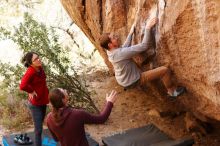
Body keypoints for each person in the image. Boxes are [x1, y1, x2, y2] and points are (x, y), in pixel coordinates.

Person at [99, 17, 185, 97]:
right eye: (113, 38)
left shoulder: (110, 51)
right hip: (133, 81)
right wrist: (148, 28)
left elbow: (123, 49)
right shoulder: (119, 53)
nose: (116, 37)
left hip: (123, 80)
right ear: (110, 45)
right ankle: (172, 91)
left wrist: (130, 34)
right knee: (164, 71)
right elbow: (144, 46)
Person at [46, 88, 118, 146]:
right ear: (63, 99)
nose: (65, 90)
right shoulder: (77, 114)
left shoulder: (49, 118)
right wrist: (109, 103)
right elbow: (102, 119)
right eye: (63, 90)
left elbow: (56, 139)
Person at [20, 52, 49, 146]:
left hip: (43, 101)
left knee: (40, 125)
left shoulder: (40, 68)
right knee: (38, 130)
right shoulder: (30, 71)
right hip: (35, 104)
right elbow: (23, 85)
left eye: (38, 57)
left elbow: (42, 83)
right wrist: (31, 91)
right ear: (31, 63)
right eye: (36, 59)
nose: (39, 59)